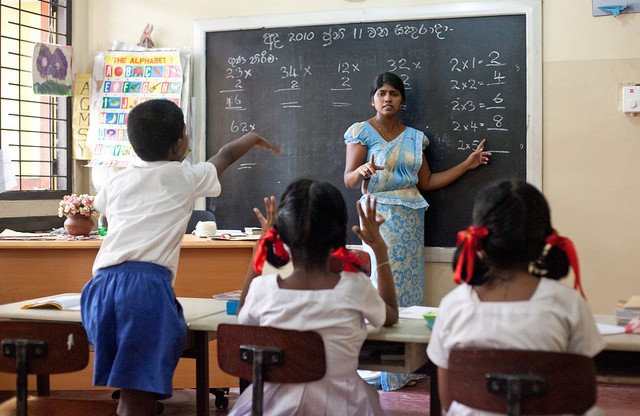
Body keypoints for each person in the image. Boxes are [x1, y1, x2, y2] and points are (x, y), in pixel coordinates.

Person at [80, 99, 281, 416]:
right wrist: (253, 138)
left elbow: (104, 209)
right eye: (185, 133)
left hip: (100, 288)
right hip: (143, 291)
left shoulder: (114, 180)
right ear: (177, 146)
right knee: (138, 398)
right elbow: (225, 156)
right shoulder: (183, 176)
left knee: (132, 394)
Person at [343, 71, 491, 391]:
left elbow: (426, 182)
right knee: (383, 284)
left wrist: (467, 164)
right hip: (378, 217)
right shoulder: (362, 132)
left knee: (410, 289)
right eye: (381, 93)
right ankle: (379, 368)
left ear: (402, 101)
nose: (387, 99)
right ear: (373, 99)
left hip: (412, 219)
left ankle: (406, 367)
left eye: (394, 94)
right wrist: (361, 169)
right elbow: (349, 179)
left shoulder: (415, 137)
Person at [426, 179, 606, 415]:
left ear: (480, 237)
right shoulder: (567, 304)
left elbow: (448, 403)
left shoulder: (453, 306)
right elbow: (581, 395)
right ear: (543, 237)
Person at [232, 179, 398, 416]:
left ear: (281, 235)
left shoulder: (263, 289)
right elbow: (390, 315)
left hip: (275, 408)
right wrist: (379, 249)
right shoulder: (355, 287)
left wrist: (261, 249)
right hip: (343, 406)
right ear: (338, 233)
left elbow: (241, 316)